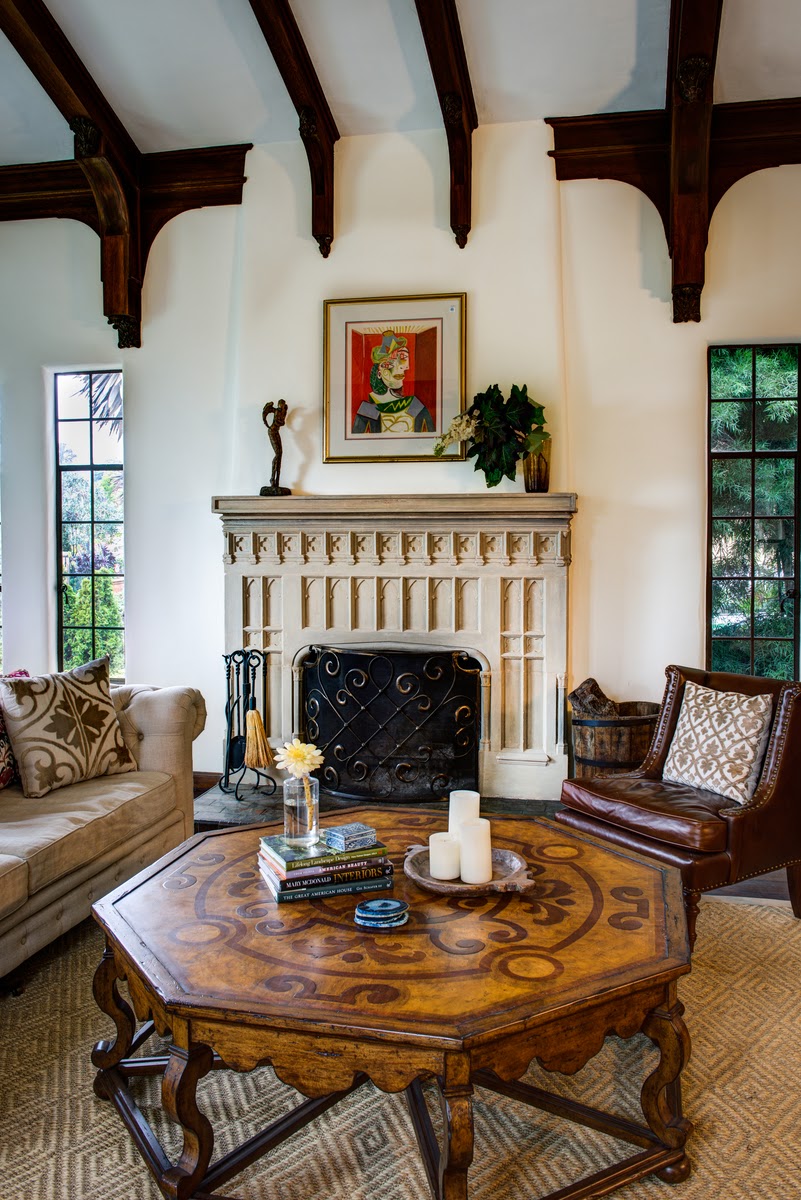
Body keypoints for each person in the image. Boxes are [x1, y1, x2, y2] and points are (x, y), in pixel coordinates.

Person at [351, 331, 434, 434]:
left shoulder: (414, 405)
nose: (404, 367)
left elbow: (432, 436)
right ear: (379, 373)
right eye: (389, 364)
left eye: (403, 358)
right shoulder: (368, 409)